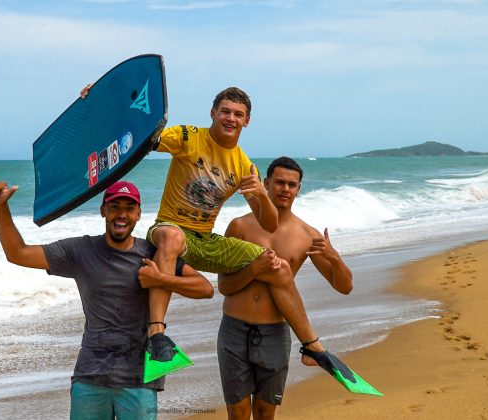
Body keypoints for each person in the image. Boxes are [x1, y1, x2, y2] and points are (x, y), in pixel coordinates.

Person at [80, 85, 325, 378]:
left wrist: (260, 193)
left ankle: (311, 346)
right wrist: (105, 103)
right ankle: (156, 335)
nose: (230, 118)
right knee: (173, 236)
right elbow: (139, 139)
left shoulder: (244, 167)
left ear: (247, 121)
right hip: (168, 227)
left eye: (238, 114)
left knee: (277, 264)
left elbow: (270, 224)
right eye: (225, 111)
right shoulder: (188, 137)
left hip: (204, 240)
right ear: (213, 113)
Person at [0, 172, 214, 420]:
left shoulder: (153, 254)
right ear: (103, 211)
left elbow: (205, 288)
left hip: (139, 378)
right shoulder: (80, 251)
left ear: (138, 214)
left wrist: (161, 279)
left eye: (129, 208)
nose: (121, 214)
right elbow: (17, 253)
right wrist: (1, 207)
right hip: (91, 374)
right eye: (114, 207)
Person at [217, 157, 353, 419]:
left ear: (299, 189)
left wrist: (334, 257)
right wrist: (254, 269)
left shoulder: (307, 235)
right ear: (266, 183)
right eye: (279, 182)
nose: (285, 189)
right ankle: (313, 345)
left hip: (275, 333)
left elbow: (344, 287)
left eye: (292, 184)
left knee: (266, 413)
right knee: (238, 413)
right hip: (234, 329)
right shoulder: (239, 226)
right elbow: (224, 286)